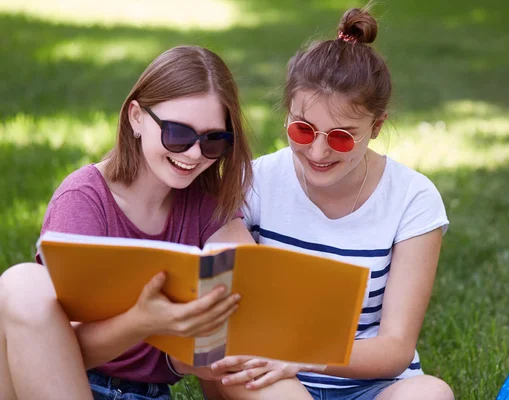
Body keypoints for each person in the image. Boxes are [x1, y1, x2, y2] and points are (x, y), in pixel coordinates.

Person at [208, 6, 455, 400]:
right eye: (302, 129)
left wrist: (304, 356)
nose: (318, 151)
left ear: (376, 127)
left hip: (374, 385)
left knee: (431, 393)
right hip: (274, 381)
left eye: (341, 136)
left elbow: (394, 349)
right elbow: (218, 319)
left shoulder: (414, 198)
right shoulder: (252, 182)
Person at [0, 45, 259, 400]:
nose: (195, 154)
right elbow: (57, 347)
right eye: (178, 134)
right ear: (136, 117)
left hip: (147, 394)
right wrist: (144, 322)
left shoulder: (206, 205)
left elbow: (251, 302)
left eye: (214, 140)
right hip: (66, 383)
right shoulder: (83, 199)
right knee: (21, 283)